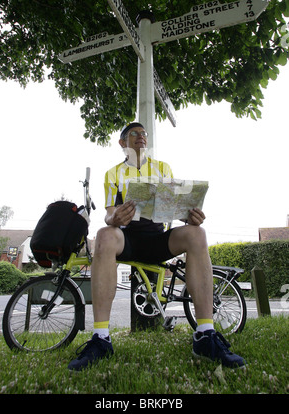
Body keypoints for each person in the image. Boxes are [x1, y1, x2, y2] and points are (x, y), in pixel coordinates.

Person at [68, 123, 246, 371]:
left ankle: (205, 335)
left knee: (197, 233)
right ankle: (101, 338)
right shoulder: (112, 174)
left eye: (144, 134)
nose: (141, 137)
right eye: (134, 134)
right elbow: (109, 215)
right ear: (122, 143)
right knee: (105, 234)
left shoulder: (163, 168)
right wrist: (114, 219)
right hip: (128, 238)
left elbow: (173, 208)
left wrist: (189, 216)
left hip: (157, 237)